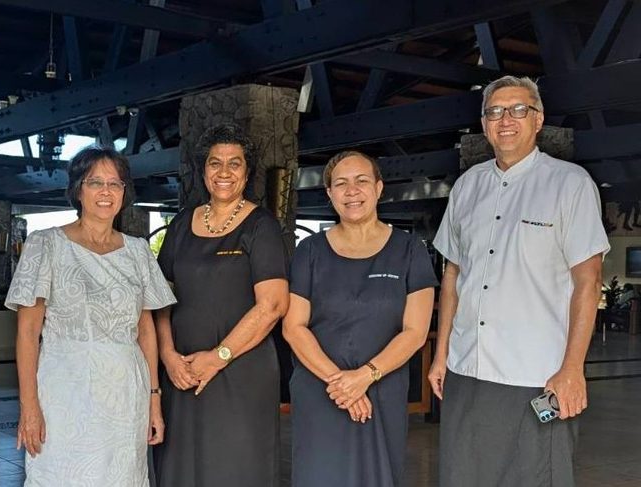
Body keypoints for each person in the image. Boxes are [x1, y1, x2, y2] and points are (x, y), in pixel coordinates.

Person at [429, 76, 609, 486]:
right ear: (484, 123)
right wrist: (441, 356)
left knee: (536, 476)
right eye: (494, 111)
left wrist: (572, 369)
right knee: (463, 475)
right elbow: (453, 274)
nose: (505, 119)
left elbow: (589, 280)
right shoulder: (467, 187)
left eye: (518, 109)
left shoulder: (570, 183)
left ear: (538, 119)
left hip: (537, 373)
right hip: (467, 367)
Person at [5, 146, 175, 486]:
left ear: (124, 192)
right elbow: (27, 333)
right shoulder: (46, 244)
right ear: (78, 190)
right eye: (95, 182)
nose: (106, 192)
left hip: (126, 394)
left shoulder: (138, 251)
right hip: (65, 392)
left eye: (115, 183)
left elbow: (145, 331)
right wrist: (29, 406)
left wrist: (154, 401)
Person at [282, 151, 437, 486]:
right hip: (321, 388)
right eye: (341, 183)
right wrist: (342, 383)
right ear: (330, 193)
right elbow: (293, 327)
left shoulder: (410, 250)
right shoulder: (310, 251)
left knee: (378, 475)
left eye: (361, 181)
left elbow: (415, 331)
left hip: (382, 388)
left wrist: (365, 377)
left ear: (379, 188)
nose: (352, 191)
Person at [153, 124, 289, 487]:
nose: (224, 172)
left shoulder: (262, 226)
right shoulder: (181, 224)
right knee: (182, 466)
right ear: (203, 170)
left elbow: (273, 305)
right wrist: (167, 354)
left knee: (235, 466)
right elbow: (160, 298)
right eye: (215, 163)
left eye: (235, 163)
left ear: (247, 171)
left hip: (241, 371)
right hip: (182, 371)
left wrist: (218, 357)